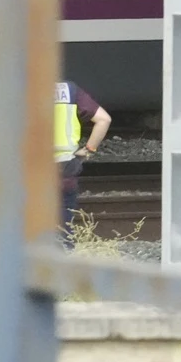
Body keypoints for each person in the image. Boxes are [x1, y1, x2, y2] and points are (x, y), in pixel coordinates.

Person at [54, 81, 112, 247]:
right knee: (65, 228)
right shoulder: (69, 90)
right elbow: (104, 119)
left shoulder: (15, 90)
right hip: (65, 166)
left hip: (30, 167)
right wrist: (89, 149)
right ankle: (63, 260)